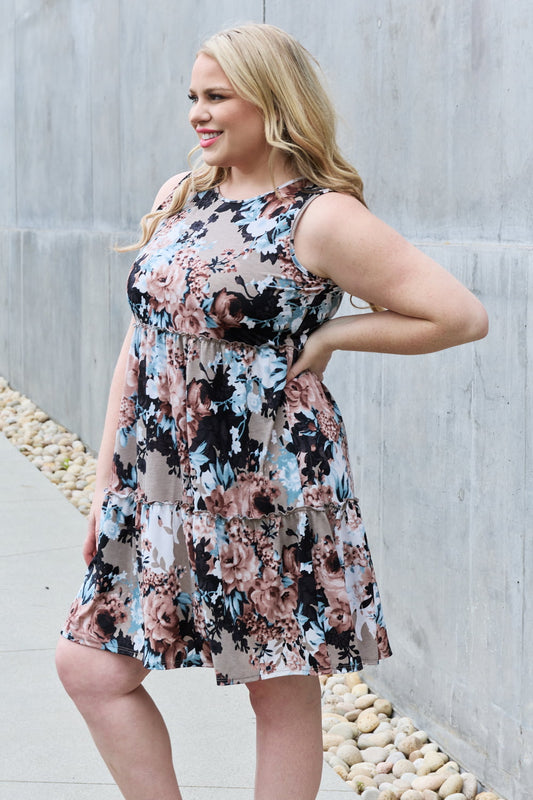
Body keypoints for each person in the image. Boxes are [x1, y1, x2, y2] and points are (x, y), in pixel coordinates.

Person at [55, 22, 488, 800]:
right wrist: (105, 484)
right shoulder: (182, 193)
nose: (197, 113)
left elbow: (457, 315)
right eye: (193, 96)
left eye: (217, 96)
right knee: (89, 668)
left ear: (272, 102)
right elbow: (140, 343)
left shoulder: (319, 217)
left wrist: (331, 336)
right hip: (157, 478)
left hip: (266, 477)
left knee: (276, 684)